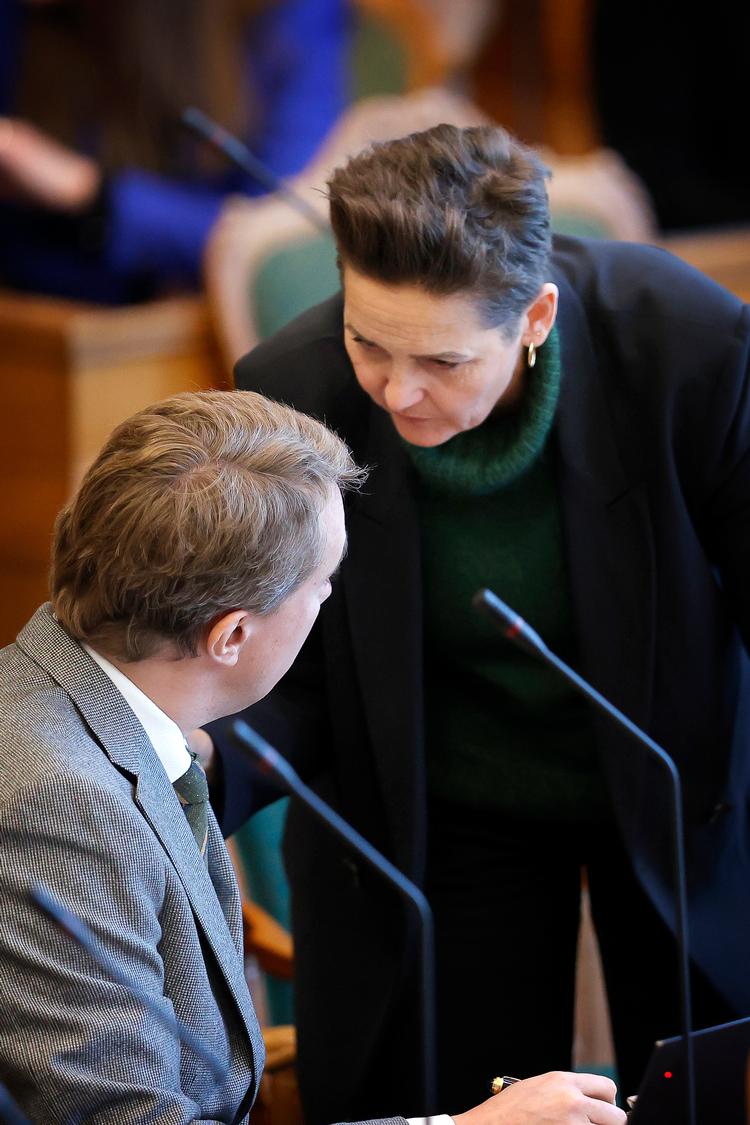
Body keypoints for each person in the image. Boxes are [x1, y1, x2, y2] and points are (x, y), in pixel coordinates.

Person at [204, 123, 750, 1122]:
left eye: (444, 360)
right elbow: (297, 675)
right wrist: (187, 762)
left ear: (536, 315)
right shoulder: (294, 391)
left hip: (679, 785)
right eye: (368, 340)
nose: (397, 390)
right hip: (442, 811)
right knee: (465, 1102)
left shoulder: (687, 346)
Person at [0, 388, 625, 1124]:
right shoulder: (60, 800)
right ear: (230, 635)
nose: (331, 597)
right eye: (322, 583)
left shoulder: (67, 704)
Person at [0, 0, 349, 302]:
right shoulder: (29, 19)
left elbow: (281, 235)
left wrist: (89, 191)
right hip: (48, 305)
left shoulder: (290, 16)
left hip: (193, 329)